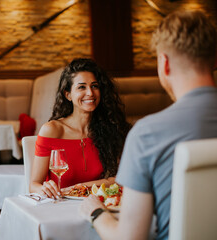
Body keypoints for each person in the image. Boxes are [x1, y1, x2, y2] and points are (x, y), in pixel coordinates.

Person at [79, 10, 217, 240]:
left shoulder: (147, 134)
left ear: (164, 63)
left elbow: (129, 238)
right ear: (215, 60)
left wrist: (95, 212)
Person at [29, 58, 131, 199]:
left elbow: (119, 179)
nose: (90, 93)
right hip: (59, 205)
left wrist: (80, 188)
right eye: (81, 87)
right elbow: (34, 185)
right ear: (68, 94)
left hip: (98, 205)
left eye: (94, 86)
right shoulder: (52, 130)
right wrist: (45, 189)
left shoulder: (111, 128)